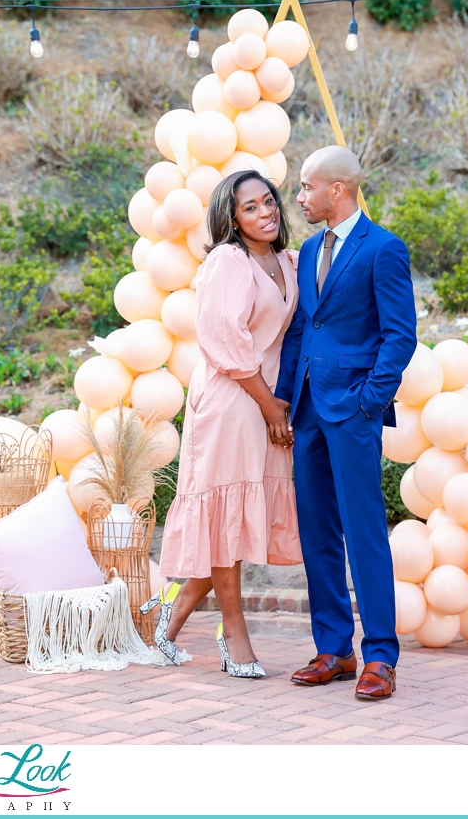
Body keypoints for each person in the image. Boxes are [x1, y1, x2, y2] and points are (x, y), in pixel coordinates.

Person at [273, 145, 416, 701]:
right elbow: (301, 330)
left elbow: (399, 335)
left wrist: (368, 401)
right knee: (317, 535)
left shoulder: (384, 249)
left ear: (338, 189)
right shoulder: (308, 251)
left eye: (307, 188)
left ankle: (381, 655)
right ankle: (334, 648)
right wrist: (284, 399)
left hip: (353, 411)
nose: (300, 197)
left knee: (364, 535)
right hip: (307, 409)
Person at [152, 170, 302, 679]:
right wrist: (270, 407)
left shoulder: (286, 261)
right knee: (225, 515)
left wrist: (281, 404)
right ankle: (233, 633)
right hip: (233, 398)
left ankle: (166, 621)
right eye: (251, 208)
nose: (266, 213)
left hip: (268, 401)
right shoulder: (227, 261)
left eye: (269, 202)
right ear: (232, 219)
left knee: (233, 519)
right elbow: (225, 340)